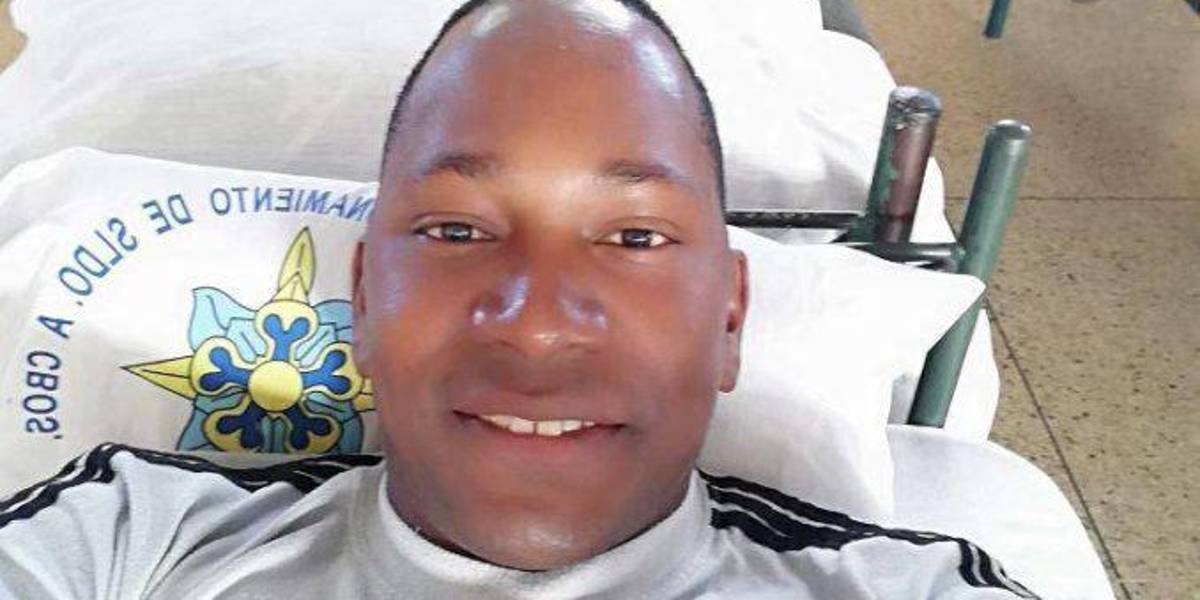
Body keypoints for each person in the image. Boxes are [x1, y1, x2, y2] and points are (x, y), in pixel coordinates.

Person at [0, 0, 1037, 597]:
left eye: (634, 238)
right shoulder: (128, 539)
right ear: (361, 300)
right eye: (456, 232)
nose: (537, 324)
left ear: (729, 318)